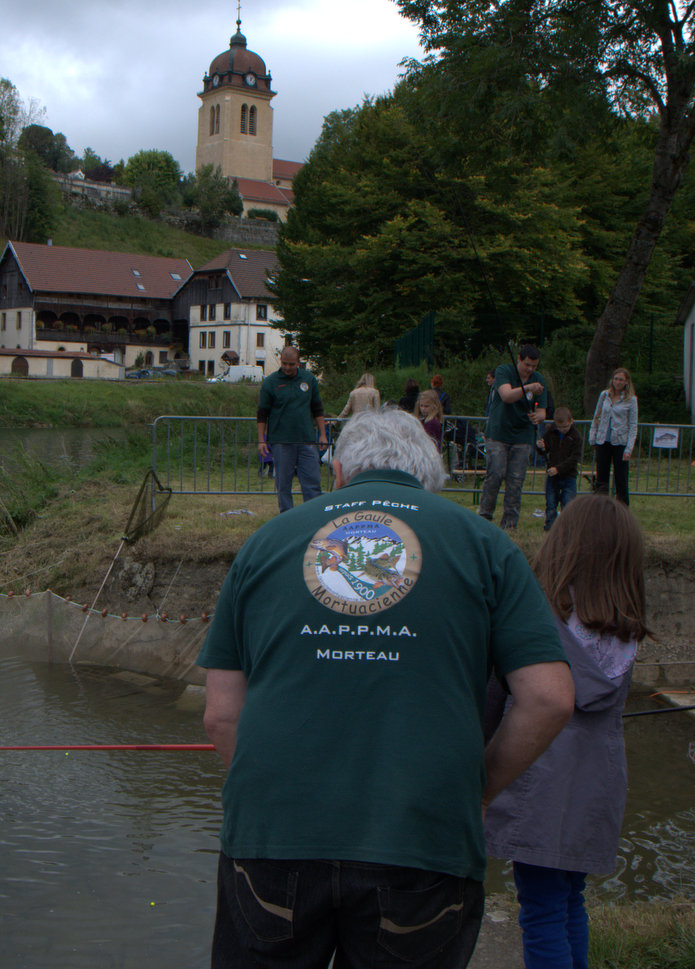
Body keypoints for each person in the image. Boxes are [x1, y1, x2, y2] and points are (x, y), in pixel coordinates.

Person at [199, 408, 576, 969]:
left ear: (340, 472)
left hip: (273, 837)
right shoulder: (486, 544)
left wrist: (273, 797)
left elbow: (221, 716)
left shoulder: (265, 542)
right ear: (430, 474)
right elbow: (549, 698)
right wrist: (478, 792)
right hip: (423, 839)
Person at [485, 495, 646, 969]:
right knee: (569, 900)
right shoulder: (624, 627)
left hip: (539, 785)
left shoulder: (540, 621)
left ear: (564, 547)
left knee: (540, 912)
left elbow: (498, 696)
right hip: (596, 785)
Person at [481, 346, 554, 529]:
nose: (530, 369)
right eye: (527, 364)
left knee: (516, 480)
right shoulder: (504, 371)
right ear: (519, 359)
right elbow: (506, 395)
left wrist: (538, 417)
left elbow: (542, 411)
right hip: (498, 433)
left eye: (534, 366)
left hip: (523, 435)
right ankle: (484, 517)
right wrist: (528, 388)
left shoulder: (539, 379)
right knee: (495, 473)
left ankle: (510, 523)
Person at [257, 347, 326, 513]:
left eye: (291, 364)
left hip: (306, 440)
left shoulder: (309, 379)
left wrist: (323, 434)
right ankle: (286, 517)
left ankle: (314, 516)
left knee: (312, 482)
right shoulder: (270, 382)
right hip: (281, 441)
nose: (287, 368)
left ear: (298, 363)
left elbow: (317, 408)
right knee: (283, 484)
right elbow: (262, 413)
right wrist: (261, 440)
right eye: (284, 364)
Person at [588, 368, 638, 506]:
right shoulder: (604, 395)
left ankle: (622, 508)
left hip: (620, 442)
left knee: (621, 479)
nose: (618, 382)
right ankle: (600, 506)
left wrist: (629, 448)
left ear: (626, 382)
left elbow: (633, 425)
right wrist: (593, 437)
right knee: (601, 477)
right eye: (616, 379)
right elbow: (597, 416)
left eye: (621, 379)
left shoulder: (631, 400)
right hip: (603, 440)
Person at [539, 408, 584, 530]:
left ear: (571, 421)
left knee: (568, 503)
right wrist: (541, 447)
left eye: (565, 426)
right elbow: (545, 450)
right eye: (559, 427)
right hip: (552, 476)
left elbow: (574, 458)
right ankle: (550, 526)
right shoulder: (551, 432)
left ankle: (567, 528)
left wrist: (558, 469)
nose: (562, 429)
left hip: (569, 476)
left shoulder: (576, 437)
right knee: (550, 503)